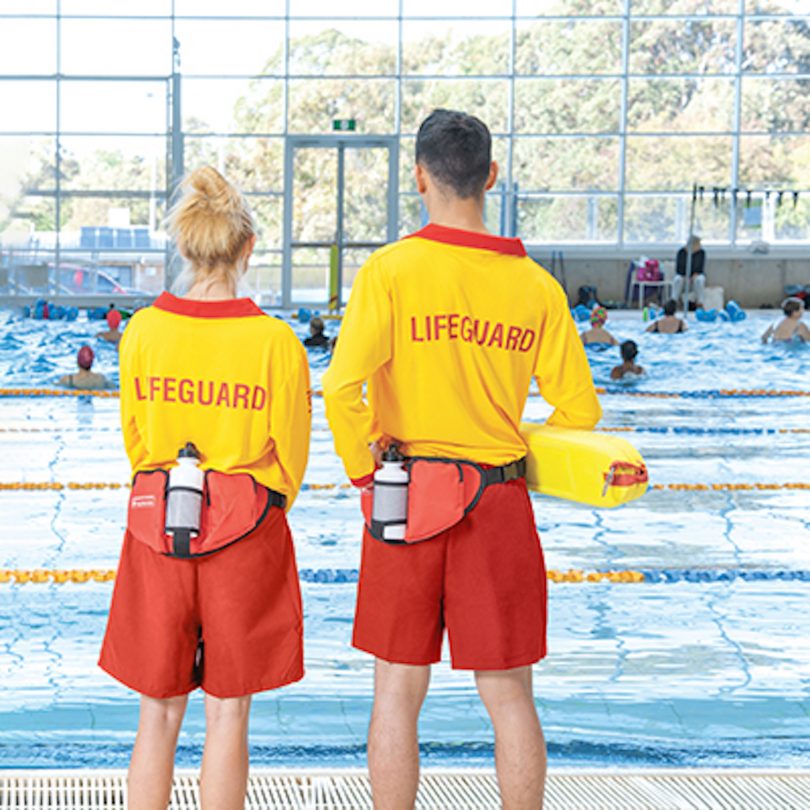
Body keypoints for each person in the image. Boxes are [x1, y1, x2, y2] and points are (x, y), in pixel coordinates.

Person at [322, 109, 601, 810]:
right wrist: (504, 448)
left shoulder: (389, 271)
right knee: (508, 696)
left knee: (395, 690)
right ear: (491, 177)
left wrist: (366, 467)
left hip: (403, 496)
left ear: (419, 178)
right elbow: (580, 415)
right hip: (498, 502)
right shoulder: (536, 287)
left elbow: (339, 385)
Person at [98, 166, 311, 810]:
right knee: (227, 715)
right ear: (249, 250)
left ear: (185, 249)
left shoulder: (141, 333)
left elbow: (137, 444)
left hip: (158, 531)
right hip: (245, 537)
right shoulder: (276, 342)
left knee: (156, 716)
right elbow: (290, 461)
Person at [673, 235, 706, 308]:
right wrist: (686, 275)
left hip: (696, 275)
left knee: (699, 280)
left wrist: (695, 274)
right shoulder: (681, 252)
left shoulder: (701, 253)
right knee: (677, 279)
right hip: (683, 275)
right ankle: (674, 301)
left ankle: (700, 302)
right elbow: (679, 268)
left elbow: (700, 267)